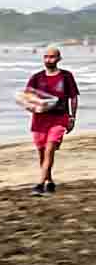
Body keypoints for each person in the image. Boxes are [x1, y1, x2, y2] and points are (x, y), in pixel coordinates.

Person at [23, 46, 78, 195]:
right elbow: (27, 97)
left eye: (52, 57)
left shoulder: (66, 76)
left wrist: (72, 117)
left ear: (59, 59)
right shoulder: (36, 77)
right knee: (42, 152)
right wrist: (31, 106)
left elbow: (73, 97)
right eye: (46, 57)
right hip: (39, 120)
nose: (48, 60)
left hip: (59, 118)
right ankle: (49, 181)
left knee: (49, 149)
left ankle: (40, 184)